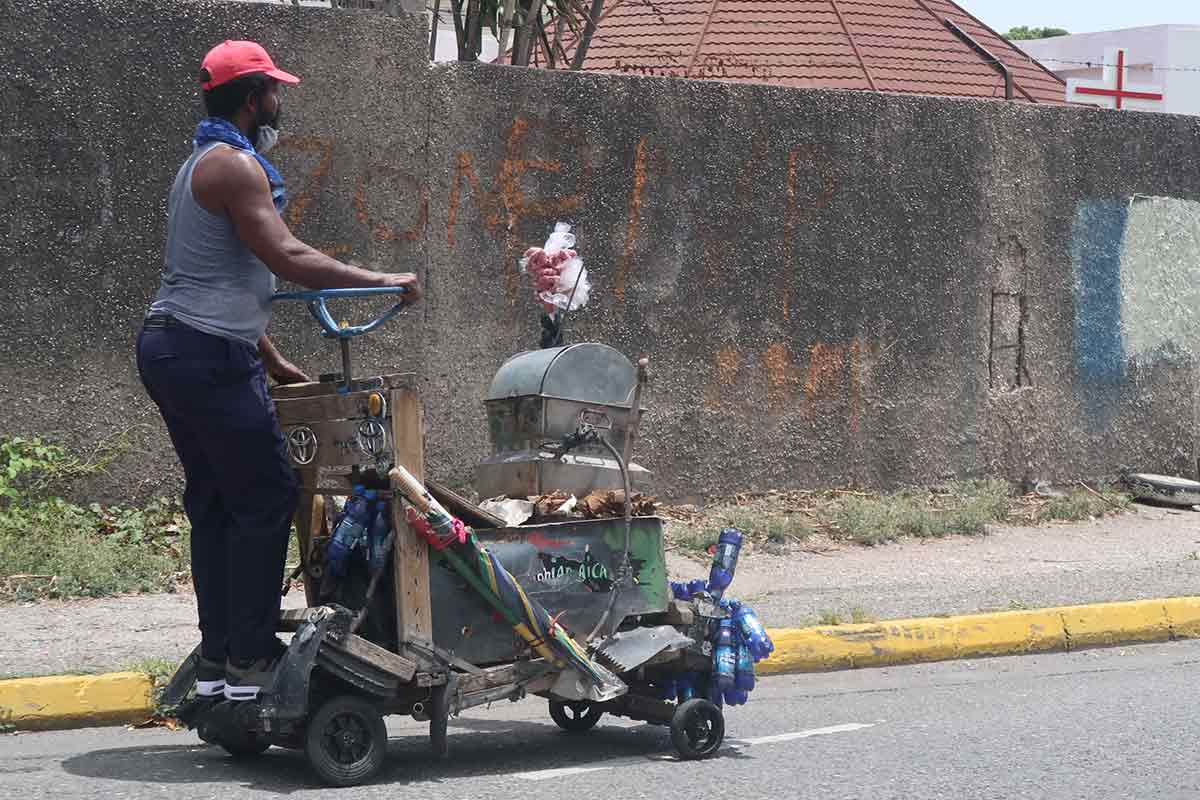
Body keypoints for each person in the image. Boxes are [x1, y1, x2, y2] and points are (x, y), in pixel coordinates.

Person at [135, 40, 420, 701]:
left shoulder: (199, 164)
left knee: (215, 505)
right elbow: (286, 256)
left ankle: (216, 664)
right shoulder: (234, 167)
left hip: (176, 347)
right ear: (251, 97)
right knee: (264, 497)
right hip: (204, 354)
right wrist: (382, 278)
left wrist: (271, 356)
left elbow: (222, 272)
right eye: (273, 91)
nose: (279, 103)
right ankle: (250, 664)